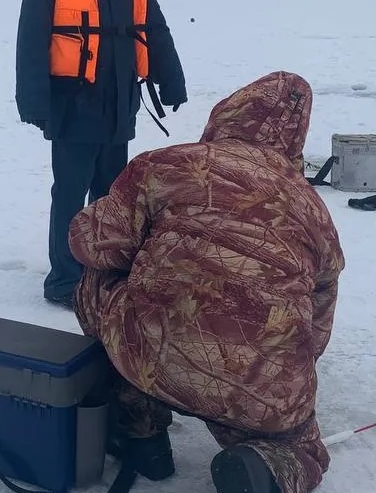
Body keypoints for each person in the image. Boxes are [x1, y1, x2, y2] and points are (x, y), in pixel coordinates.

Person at [68, 70, 345, 493]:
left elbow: (93, 246)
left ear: (226, 116)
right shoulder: (314, 210)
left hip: (152, 352)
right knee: (300, 449)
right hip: (260, 382)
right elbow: (319, 324)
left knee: (97, 280)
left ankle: (139, 427)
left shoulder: (163, 164)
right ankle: (264, 467)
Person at [15, 0, 187, 309]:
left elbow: (153, 26)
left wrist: (171, 76)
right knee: (71, 192)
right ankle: (64, 280)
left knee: (112, 194)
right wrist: (33, 99)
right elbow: (31, 36)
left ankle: (101, 269)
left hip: (119, 98)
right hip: (73, 100)